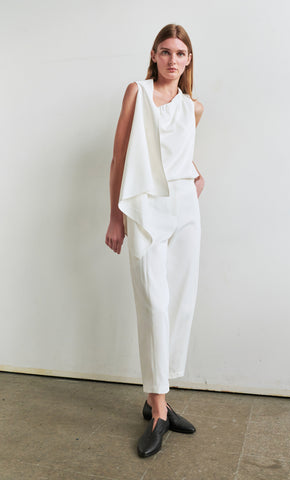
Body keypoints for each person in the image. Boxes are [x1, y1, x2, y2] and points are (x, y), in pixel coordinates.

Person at [105, 23, 204, 458]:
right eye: (165, 51)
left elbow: (178, 154)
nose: (172, 60)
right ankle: (160, 411)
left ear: (188, 61)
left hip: (184, 211)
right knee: (155, 305)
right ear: (153, 54)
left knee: (180, 304)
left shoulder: (194, 108)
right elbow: (121, 154)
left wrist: (195, 177)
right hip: (144, 210)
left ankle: (155, 400)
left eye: (180, 53)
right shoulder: (137, 92)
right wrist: (115, 216)